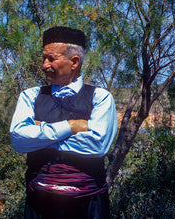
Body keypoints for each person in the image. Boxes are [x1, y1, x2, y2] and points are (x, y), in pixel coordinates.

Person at [10, 26, 118, 219]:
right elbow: (18, 139)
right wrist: (71, 126)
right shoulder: (30, 96)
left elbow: (97, 145)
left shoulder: (101, 98)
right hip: (39, 205)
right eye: (43, 58)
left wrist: (39, 133)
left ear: (74, 62)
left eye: (51, 59)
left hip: (88, 207)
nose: (44, 65)